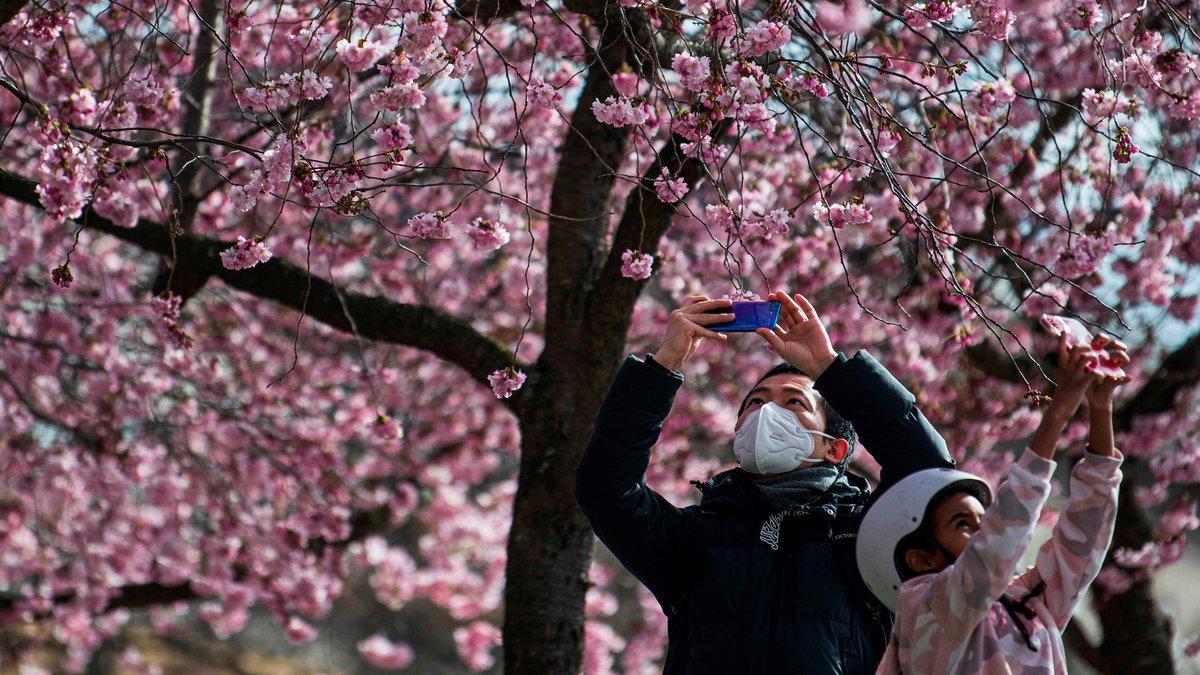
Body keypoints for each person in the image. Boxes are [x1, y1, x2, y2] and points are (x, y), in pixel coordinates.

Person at [575, 290, 956, 674]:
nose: (767, 413)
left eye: (793, 403)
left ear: (835, 450)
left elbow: (929, 473)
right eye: (755, 403)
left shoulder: (864, 534)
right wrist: (662, 367)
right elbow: (605, 489)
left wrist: (830, 368)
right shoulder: (697, 538)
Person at [856, 335, 1130, 674]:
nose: (985, 529)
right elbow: (996, 547)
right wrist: (1057, 413)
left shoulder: (1026, 603)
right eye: (964, 524)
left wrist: (1100, 410)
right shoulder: (926, 610)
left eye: (984, 520)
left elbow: (1084, 542)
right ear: (921, 558)